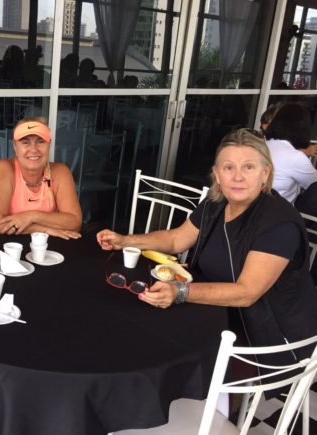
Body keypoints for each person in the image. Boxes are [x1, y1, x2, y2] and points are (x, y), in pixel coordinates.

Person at [97, 128, 317, 363]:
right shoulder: (216, 203)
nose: (238, 177)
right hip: (217, 316)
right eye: (228, 167)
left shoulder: (279, 223)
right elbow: (176, 239)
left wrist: (181, 292)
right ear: (217, 174)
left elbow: (246, 293)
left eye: (249, 167)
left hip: (267, 341)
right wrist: (125, 241)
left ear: (266, 173)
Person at [0, 117, 82, 239]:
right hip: (1, 243)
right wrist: (44, 229)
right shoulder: (2, 169)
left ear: (49, 145)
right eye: (25, 142)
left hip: (43, 245)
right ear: (15, 146)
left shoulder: (60, 172)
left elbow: (75, 223)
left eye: (40, 142)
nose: (34, 149)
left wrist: (32, 216)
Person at [264, 103, 317, 203]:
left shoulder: (264, 145)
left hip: (254, 208)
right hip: (277, 210)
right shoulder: (295, 157)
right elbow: (314, 186)